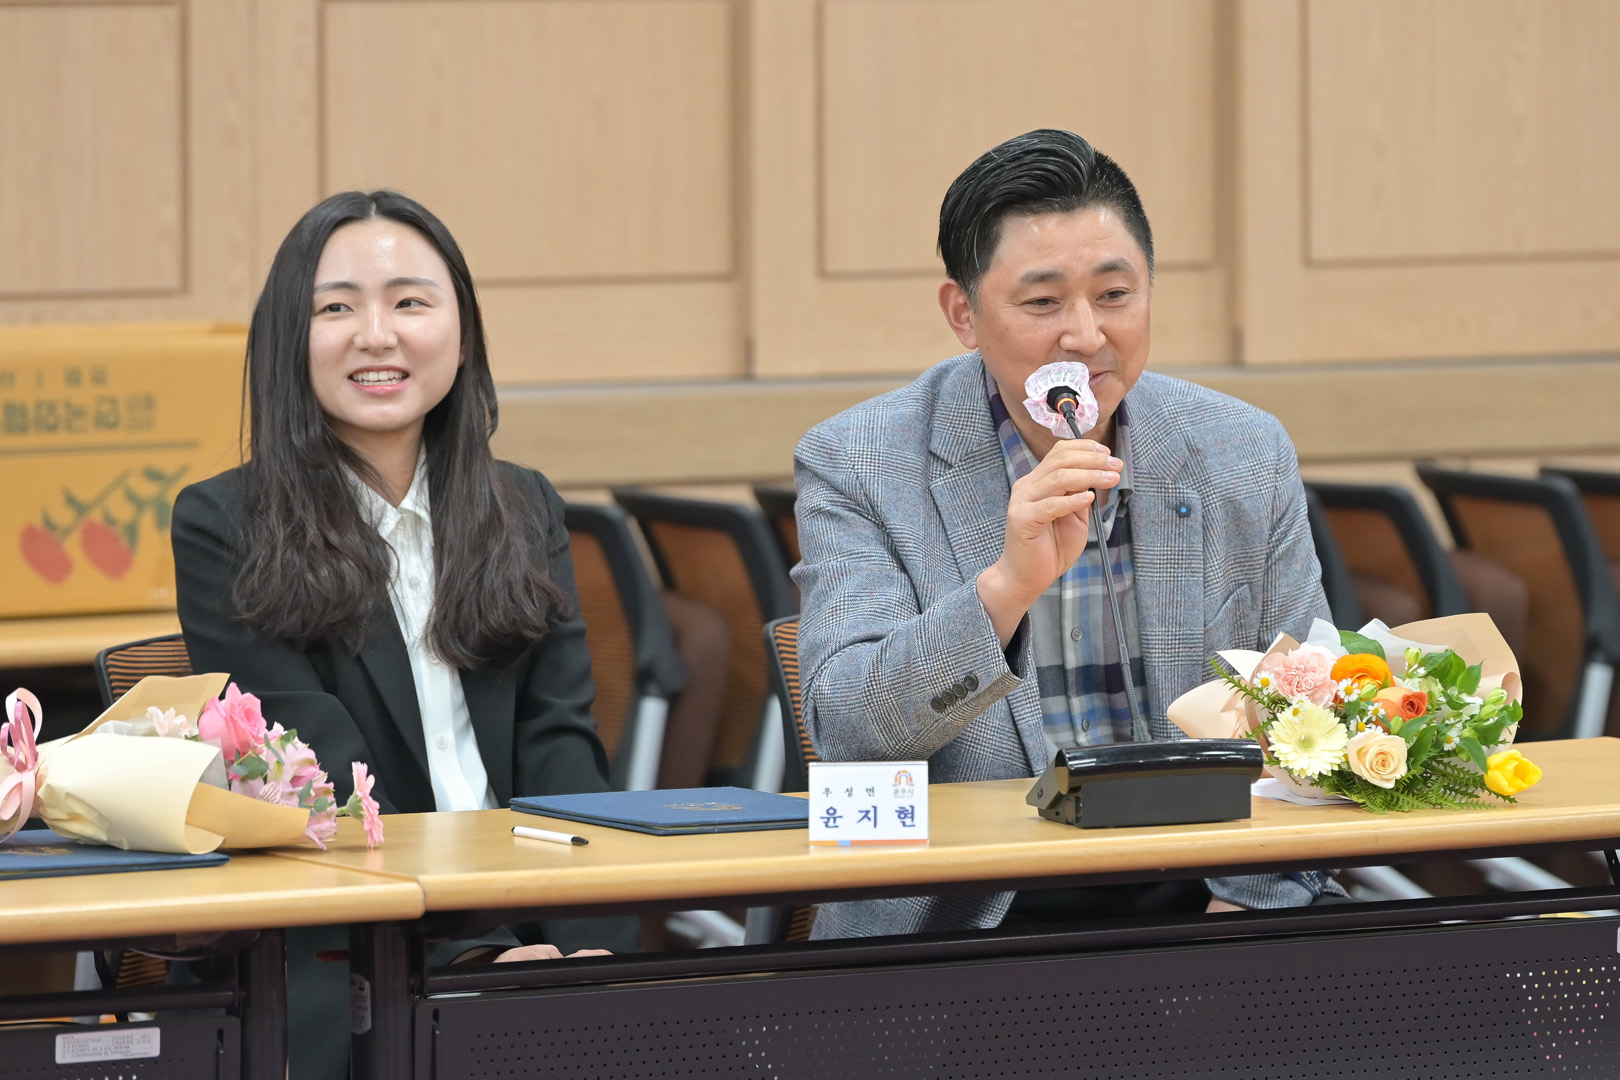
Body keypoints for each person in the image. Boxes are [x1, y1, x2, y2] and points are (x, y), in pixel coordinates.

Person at [792, 129, 1344, 940]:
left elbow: (1314, 706)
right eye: (1043, 303)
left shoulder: (1241, 449)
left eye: (1115, 295)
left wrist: (1246, 908)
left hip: (1207, 881)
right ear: (963, 314)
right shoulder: (861, 461)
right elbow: (849, 731)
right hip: (977, 910)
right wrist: (1003, 591)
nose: (1086, 336)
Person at [171, 190, 628, 1077]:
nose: (376, 336)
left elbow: (560, 748)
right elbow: (322, 788)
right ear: (287, 340)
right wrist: (478, 958)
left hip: (526, 931)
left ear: (462, 333)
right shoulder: (227, 523)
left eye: (410, 302)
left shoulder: (523, 505)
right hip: (345, 951)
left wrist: (593, 950)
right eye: (336, 308)